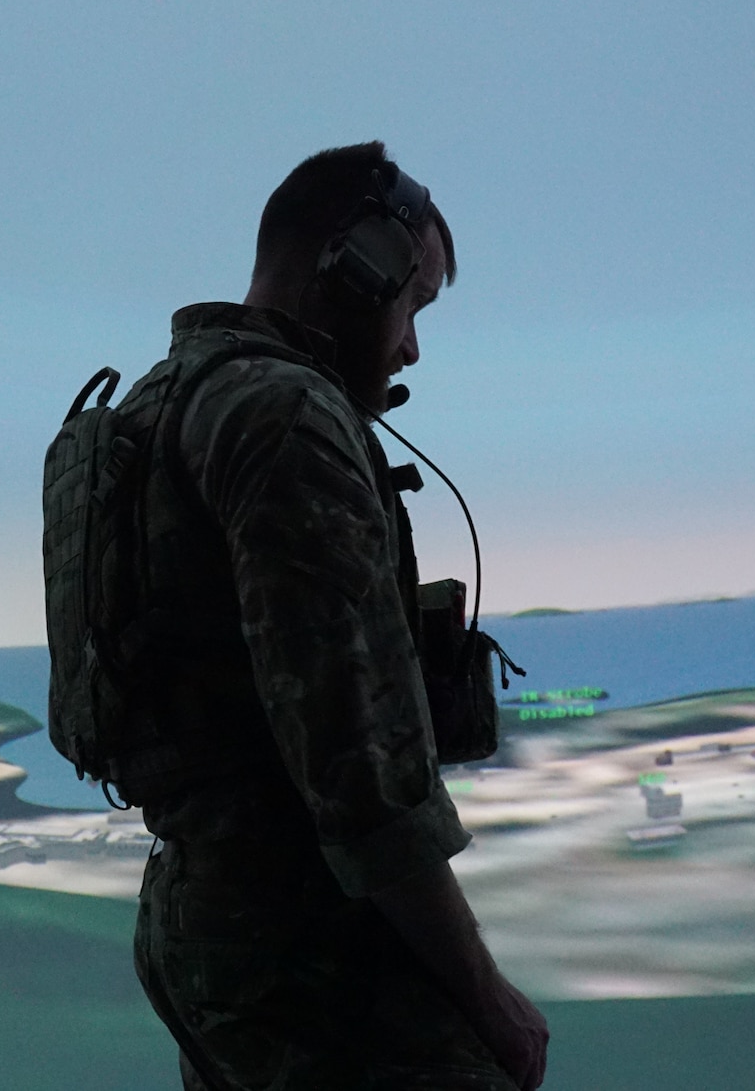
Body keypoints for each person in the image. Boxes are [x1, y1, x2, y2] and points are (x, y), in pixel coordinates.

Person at [120, 142, 549, 1090]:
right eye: (412, 305)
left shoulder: (159, 404)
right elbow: (363, 779)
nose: (411, 346)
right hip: (306, 946)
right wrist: (490, 1004)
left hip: (200, 924)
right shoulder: (284, 419)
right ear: (354, 268)